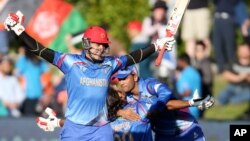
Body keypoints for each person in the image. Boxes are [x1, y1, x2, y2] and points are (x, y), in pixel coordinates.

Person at [4, 11, 175, 141]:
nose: (100, 48)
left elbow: (133, 57)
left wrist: (157, 45)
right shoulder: (69, 62)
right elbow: (39, 50)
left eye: (103, 45)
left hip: (100, 130)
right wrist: (19, 31)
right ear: (86, 43)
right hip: (73, 130)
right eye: (96, 44)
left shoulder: (109, 64)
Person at [36, 66, 214, 141]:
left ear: (135, 76)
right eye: (118, 82)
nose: (120, 83)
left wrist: (56, 122)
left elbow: (166, 101)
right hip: (162, 133)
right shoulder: (133, 111)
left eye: (123, 79)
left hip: (185, 129)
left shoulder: (149, 86)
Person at [175, 53, 202, 118]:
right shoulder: (195, 72)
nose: (178, 63)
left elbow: (187, 92)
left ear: (183, 61)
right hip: (196, 108)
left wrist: (174, 97)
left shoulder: (185, 74)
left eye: (179, 61)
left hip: (187, 109)